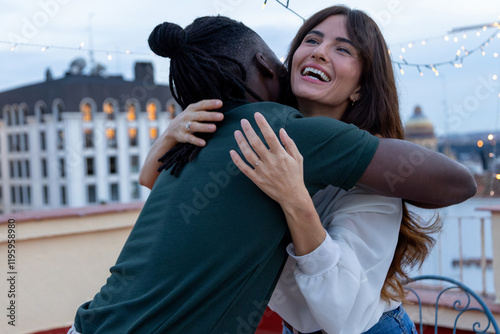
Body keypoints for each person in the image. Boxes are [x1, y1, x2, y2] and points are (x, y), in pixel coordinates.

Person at [71, 16, 474, 334]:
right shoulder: (251, 135)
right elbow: (185, 219)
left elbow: (343, 318)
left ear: (361, 85)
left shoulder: (362, 167)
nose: (318, 52)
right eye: (311, 40)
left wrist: (295, 200)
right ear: (273, 63)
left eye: (342, 48)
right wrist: (165, 143)